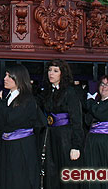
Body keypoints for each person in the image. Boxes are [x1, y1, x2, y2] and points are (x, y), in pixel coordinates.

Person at [0, 64, 40, 189]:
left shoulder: (27, 99)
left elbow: (10, 119)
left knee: (18, 179)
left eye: (9, 76)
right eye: (5, 75)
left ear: (19, 79)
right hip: (7, 145)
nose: (5, 79)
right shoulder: (9, 96)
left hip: (21, 147)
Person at [38, 59, 82, 189]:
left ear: (62, 73)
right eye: (50, 70)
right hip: (50, 136)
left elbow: (77, 120)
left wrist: (76, 146)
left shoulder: (70, 92)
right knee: (51, 173)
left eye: (55, 71)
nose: (51, 73)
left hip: (65, 137)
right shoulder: (46, 91)